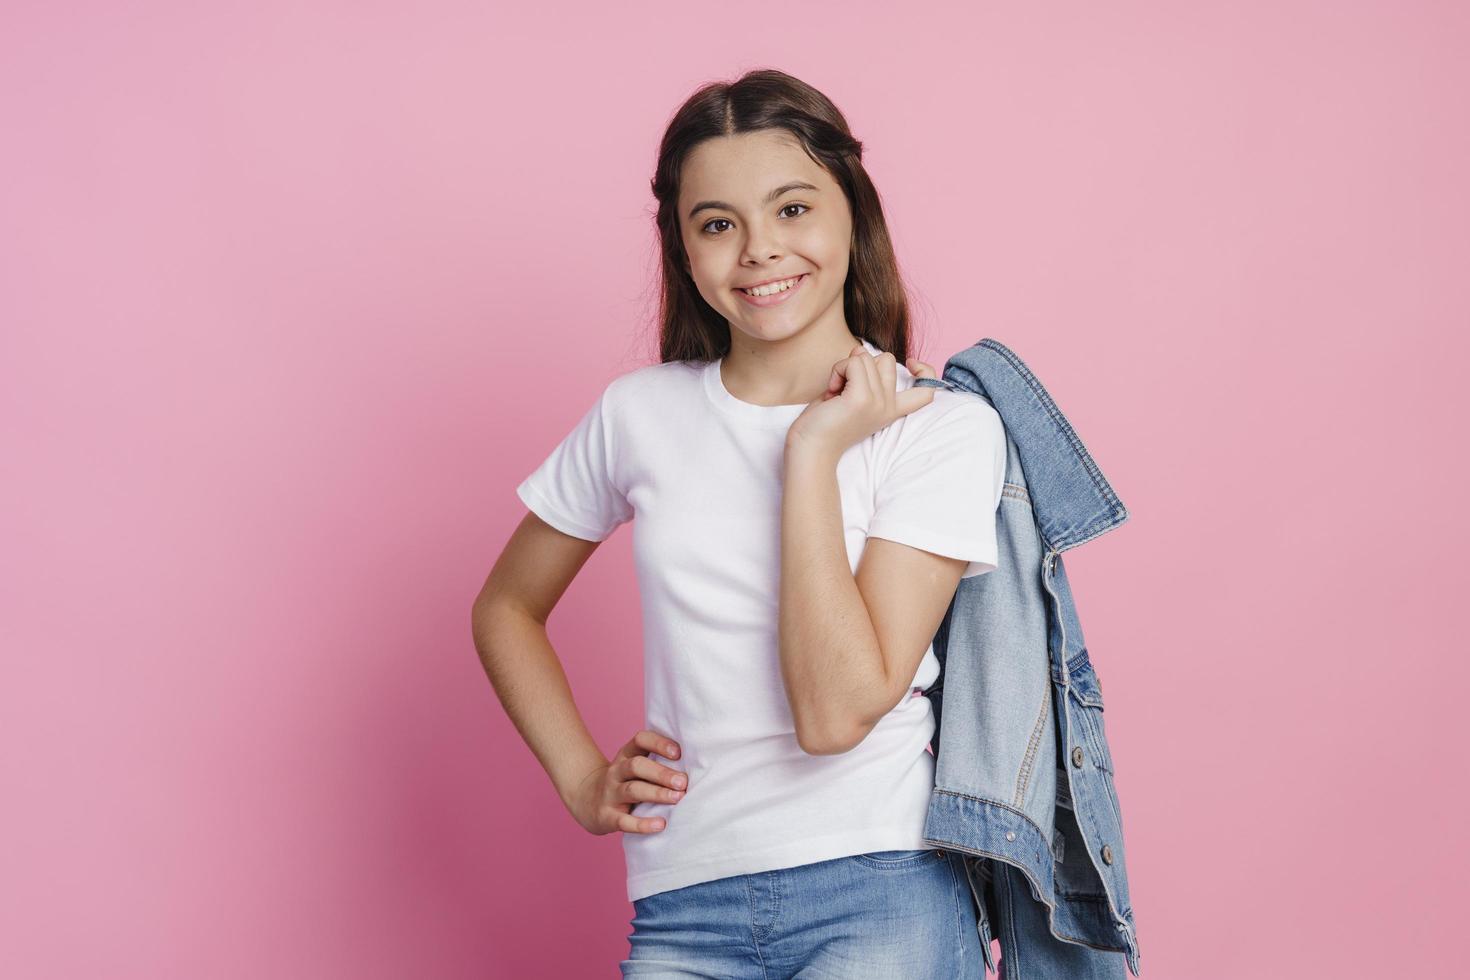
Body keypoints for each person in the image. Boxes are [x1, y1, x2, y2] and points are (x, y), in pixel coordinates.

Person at [472, 68, 1007, 978]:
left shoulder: (941, 429)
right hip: (683, 904)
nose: (759, 249)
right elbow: (505, 608)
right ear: (683, 250)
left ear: (851, 214)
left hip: (881, 886)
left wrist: (812, 453)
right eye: (718, 224)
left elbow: (835, 714)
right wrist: (580, 778)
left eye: (793, 209)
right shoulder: (638, 416)